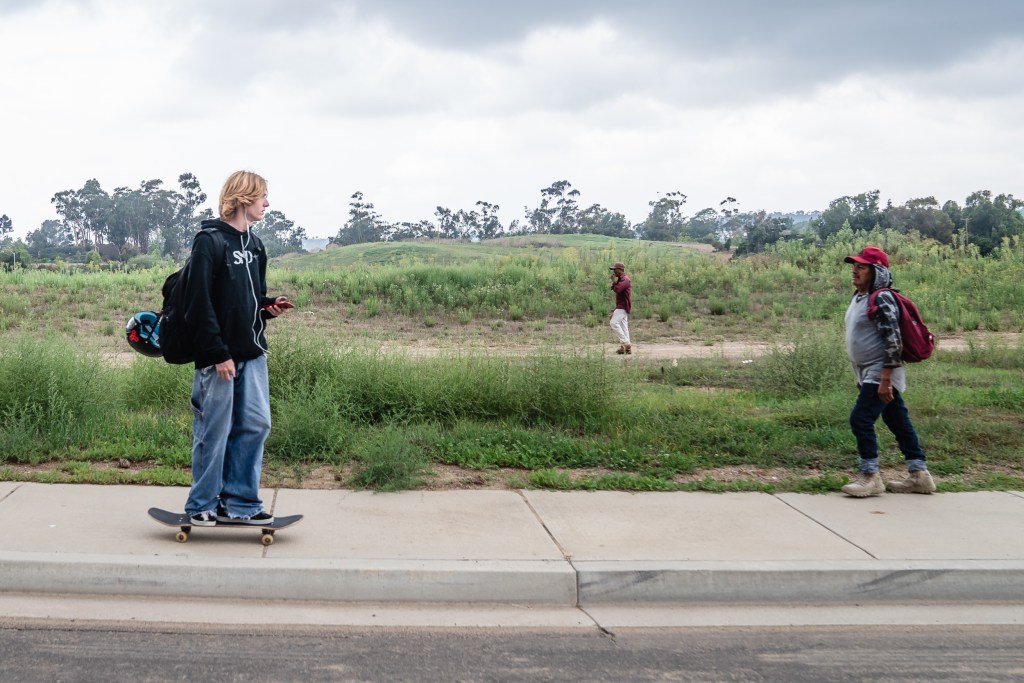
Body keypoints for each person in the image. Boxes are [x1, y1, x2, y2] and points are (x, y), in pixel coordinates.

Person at [183, 171, 292, 526]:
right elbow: (199, 304)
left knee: (256, 424)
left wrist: (268, 307)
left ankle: (241, 504)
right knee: (214, 432)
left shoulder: (256, 246)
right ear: (244, 197)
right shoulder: (209, 241)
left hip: (252, 353)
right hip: (219, 359)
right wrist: (217, 354)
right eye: (263, 196)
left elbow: (247, 301)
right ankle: (201, 504)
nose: (267, 203)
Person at [840, 246, 935, 497]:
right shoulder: (860, 296)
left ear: (877, 271)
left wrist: (885, 379)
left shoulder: (882, 297)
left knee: (860, 419)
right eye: (854, 266)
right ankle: (919, 475)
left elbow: (893, 340)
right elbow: (858, 338)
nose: (855, 271)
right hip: (868, 372)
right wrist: (858, 377)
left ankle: (870, 477)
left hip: (881, 371)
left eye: (861, 267)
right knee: (896, 419)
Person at [609, 261, 632, 355]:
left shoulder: (625, 279)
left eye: (615, 269)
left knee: (613, 323)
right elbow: (616, 289)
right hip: (622, 305)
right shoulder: (622, 279)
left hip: (622, 306)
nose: (614, 271)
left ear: (620, 270)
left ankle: (625, 343)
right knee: (623, 326)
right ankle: (627, 348)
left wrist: (614, 281)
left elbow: (618, 289)